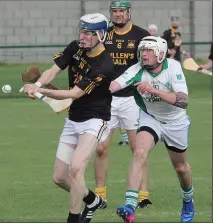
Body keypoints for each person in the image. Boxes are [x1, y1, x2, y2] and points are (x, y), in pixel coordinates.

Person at [23, 13, 115, 223]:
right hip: (74, 119)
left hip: (95, 120)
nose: (82, 37)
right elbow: (53, 71)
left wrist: (41, 93)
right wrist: (37, 85)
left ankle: (74, 219)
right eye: (81, 31)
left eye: (88, 33)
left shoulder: (104, 65)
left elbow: (74, 93)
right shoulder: (75, 47)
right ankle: (92, 200)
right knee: (60, 177)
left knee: (75, 170)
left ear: (101, 35)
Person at [110, 36, 195, 223]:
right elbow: (113, 86)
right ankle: (130, 206)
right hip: (151, 118)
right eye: (142, 50)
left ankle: (188, 199)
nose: (144, 54)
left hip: (175, 121)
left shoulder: (172, 67)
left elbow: (182, 100)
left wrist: (153, 90)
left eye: (149, 50)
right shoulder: (136, 69)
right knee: (139, 152)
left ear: (160, 53)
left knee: (181, 168)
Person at [90, 0, 152, 213]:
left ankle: (143, 195)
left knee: (138, 149)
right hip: (107, 99)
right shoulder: (103, 35)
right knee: (100, 148)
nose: (117, 15)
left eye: (121, 11)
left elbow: (151, 62)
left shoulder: (142, 36)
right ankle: (100, 195)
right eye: (114, 11)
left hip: (132, 99)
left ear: (129, 13)